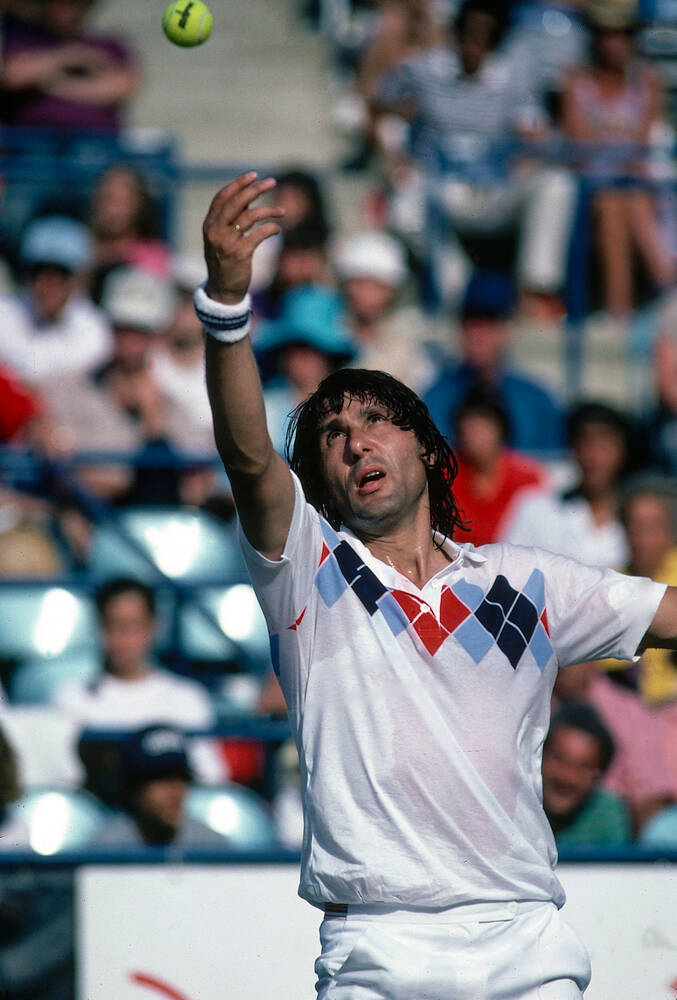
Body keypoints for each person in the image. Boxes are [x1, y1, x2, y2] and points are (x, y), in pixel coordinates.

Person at [195, 171, 677, 999]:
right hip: (377, 953)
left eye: (376, 421)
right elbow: (247, 459)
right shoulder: (307, 572)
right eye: (334, 438)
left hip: (525, 943)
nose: (354, 443)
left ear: (424, 448)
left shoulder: (526, 579)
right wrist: (228, 308)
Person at [561, 2, 674, 319]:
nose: (615, 42)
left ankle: (622, 311)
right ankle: (659, 291)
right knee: (615, 197)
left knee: (626, 196)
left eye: (623, 34)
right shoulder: (576, 81)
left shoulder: (648, 82)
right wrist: (615, 152)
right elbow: (579, 147)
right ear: (595, 38)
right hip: (591, 184)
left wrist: (609, 145)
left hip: (633, 182)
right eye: (607, 34)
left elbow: (641, 146)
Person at [423, 274, 565, 455]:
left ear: (510, 329)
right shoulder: (436, 396)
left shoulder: (537, 400)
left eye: (488, 323)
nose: (476, 334)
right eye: (469, 322)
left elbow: (554, 466)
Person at [51, 577, 215, 732]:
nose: (122, 637)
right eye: (112, 624)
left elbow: (205, 762)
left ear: (153, 627)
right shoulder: (71, 698)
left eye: (133, 625)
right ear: (99, 627)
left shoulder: (187, 699)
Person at [502, 401, 634, 568]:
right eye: (586, 444)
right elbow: (506, 570)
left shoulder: (643, 520)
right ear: (574, 449)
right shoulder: (534, 507)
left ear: (622, 450)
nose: (594, 457)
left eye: (603, 446)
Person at [0, 215, 112, 384]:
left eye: (61, 274)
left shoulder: (95, 330)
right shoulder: (6, 312)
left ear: (78, 280)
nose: (48, 284)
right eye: (39, 272)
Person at [89, 725, 228, 849]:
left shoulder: (212, 847)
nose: (174, 792)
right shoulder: (106, 848)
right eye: (161, 779)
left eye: (181, 778)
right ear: (134, 788)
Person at [451, 388, 546, 546]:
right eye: (468, 429)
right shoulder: (446, 473)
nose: (474, 437)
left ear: (501, 430)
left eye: (483, 429)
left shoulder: (527, 479)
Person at [542, 702, 632, 846]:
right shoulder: (515, 802)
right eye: (559, 759)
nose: (566, 777)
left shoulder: (607, 814)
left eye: (582, 768)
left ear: (599, 775)